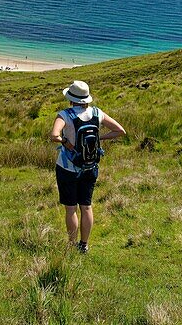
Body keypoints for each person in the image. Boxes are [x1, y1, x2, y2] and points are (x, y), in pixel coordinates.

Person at [49, 80, 126, 253]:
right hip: (90, 167)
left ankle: (71, 244)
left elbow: (54, 135)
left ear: (71, 99)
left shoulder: (65, 115)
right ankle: (84, 245)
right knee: (86, 206)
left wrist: (66, 142)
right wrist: (100, 139)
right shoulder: (97, 113)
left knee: (71, 209)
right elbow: (120, 131)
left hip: (67, 167)